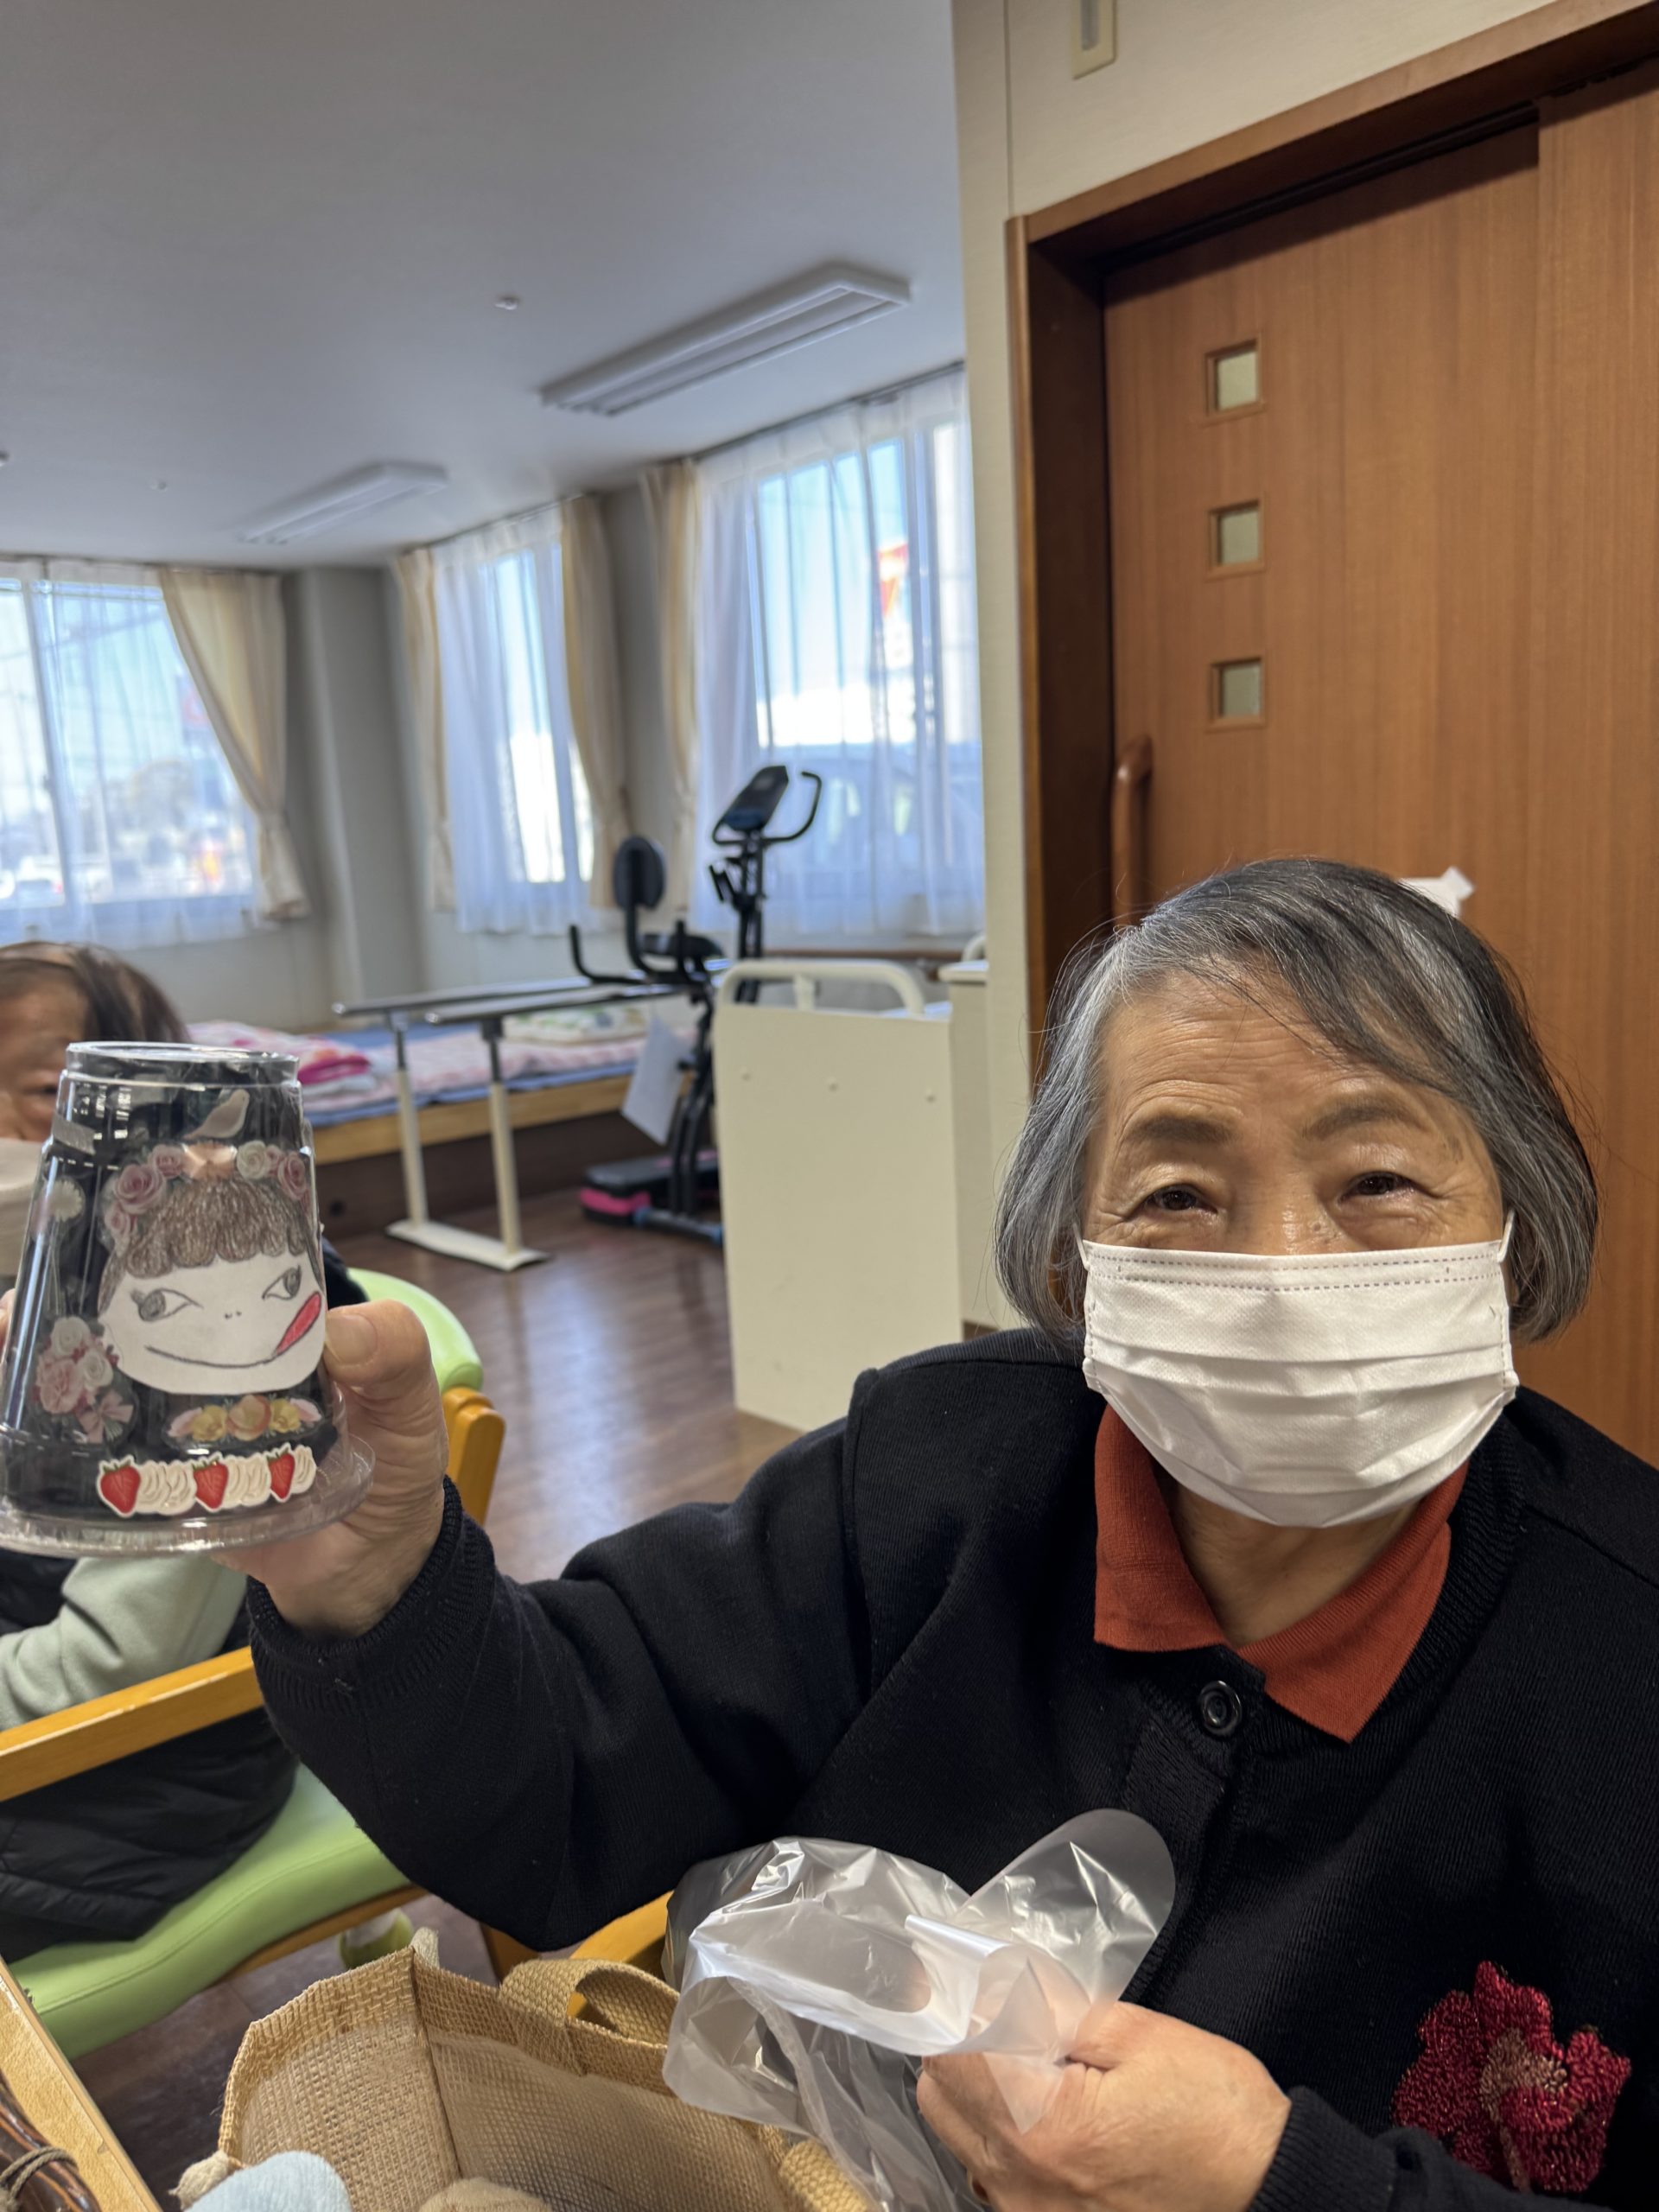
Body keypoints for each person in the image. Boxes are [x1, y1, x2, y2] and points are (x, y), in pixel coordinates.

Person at [235, 861, 1656, 2209]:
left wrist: (1276, 2185)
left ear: (1518, 1229)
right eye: (1177, 1195)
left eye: (1380, 1182)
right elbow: (558, 1790)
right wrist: (373, 1582)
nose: (1283, 1271)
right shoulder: (931, 1475)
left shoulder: (1625, 1648)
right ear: (1072, 1264)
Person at [0, 943, 358, 1955]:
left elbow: (107, 1662)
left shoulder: (204, 1341)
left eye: (42, 1093)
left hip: (137, 1780)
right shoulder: (42, 1300)